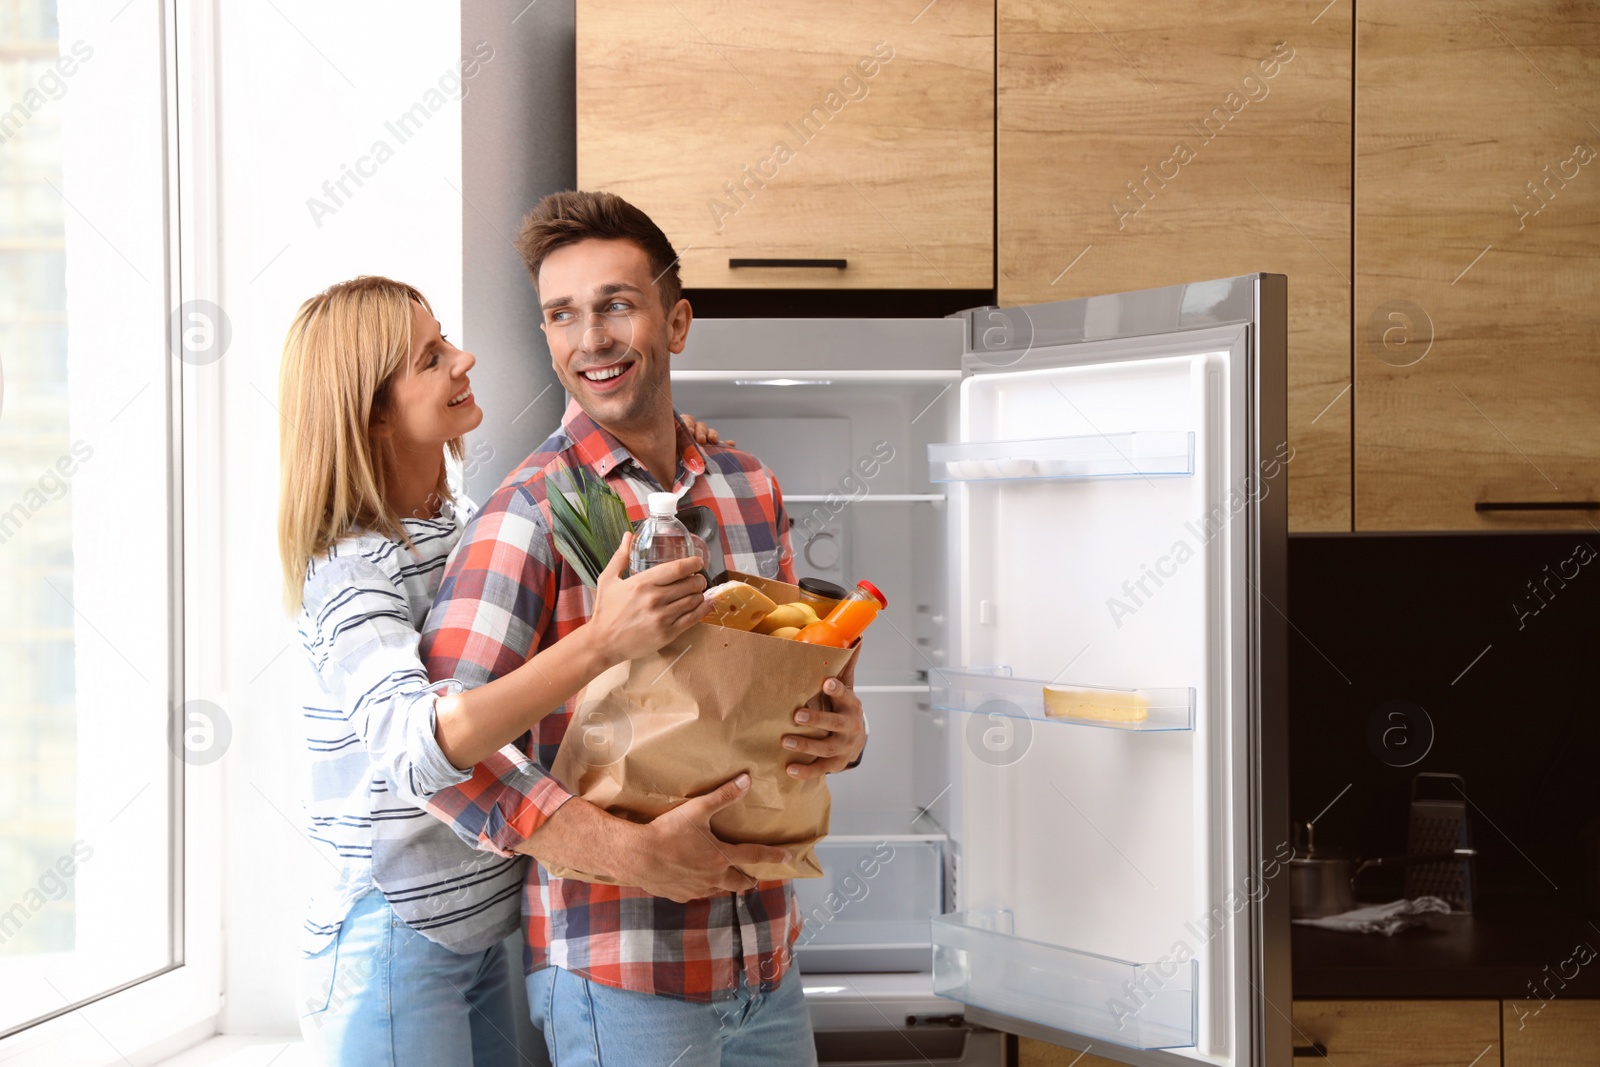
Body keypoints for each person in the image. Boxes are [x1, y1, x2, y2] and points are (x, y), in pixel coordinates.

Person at [418, 191, 868, 1066]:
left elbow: (779, 680)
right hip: (622, 980)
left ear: (678, 321)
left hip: (769, 957)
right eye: (562, 315)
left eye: (617, 304)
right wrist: (630, 853)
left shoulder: (748, 486)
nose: (591, 339)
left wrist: (842, 734)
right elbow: (444, 755)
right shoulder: (527, 513)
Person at [276, 275, 728, 1065]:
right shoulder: (348, 569)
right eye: (431, 357)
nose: (464, 358)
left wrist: (661, 441)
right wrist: (599, 642)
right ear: (376, 410)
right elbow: (418, 745)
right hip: (393, 940)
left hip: (484, 920)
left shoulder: (456, 525)